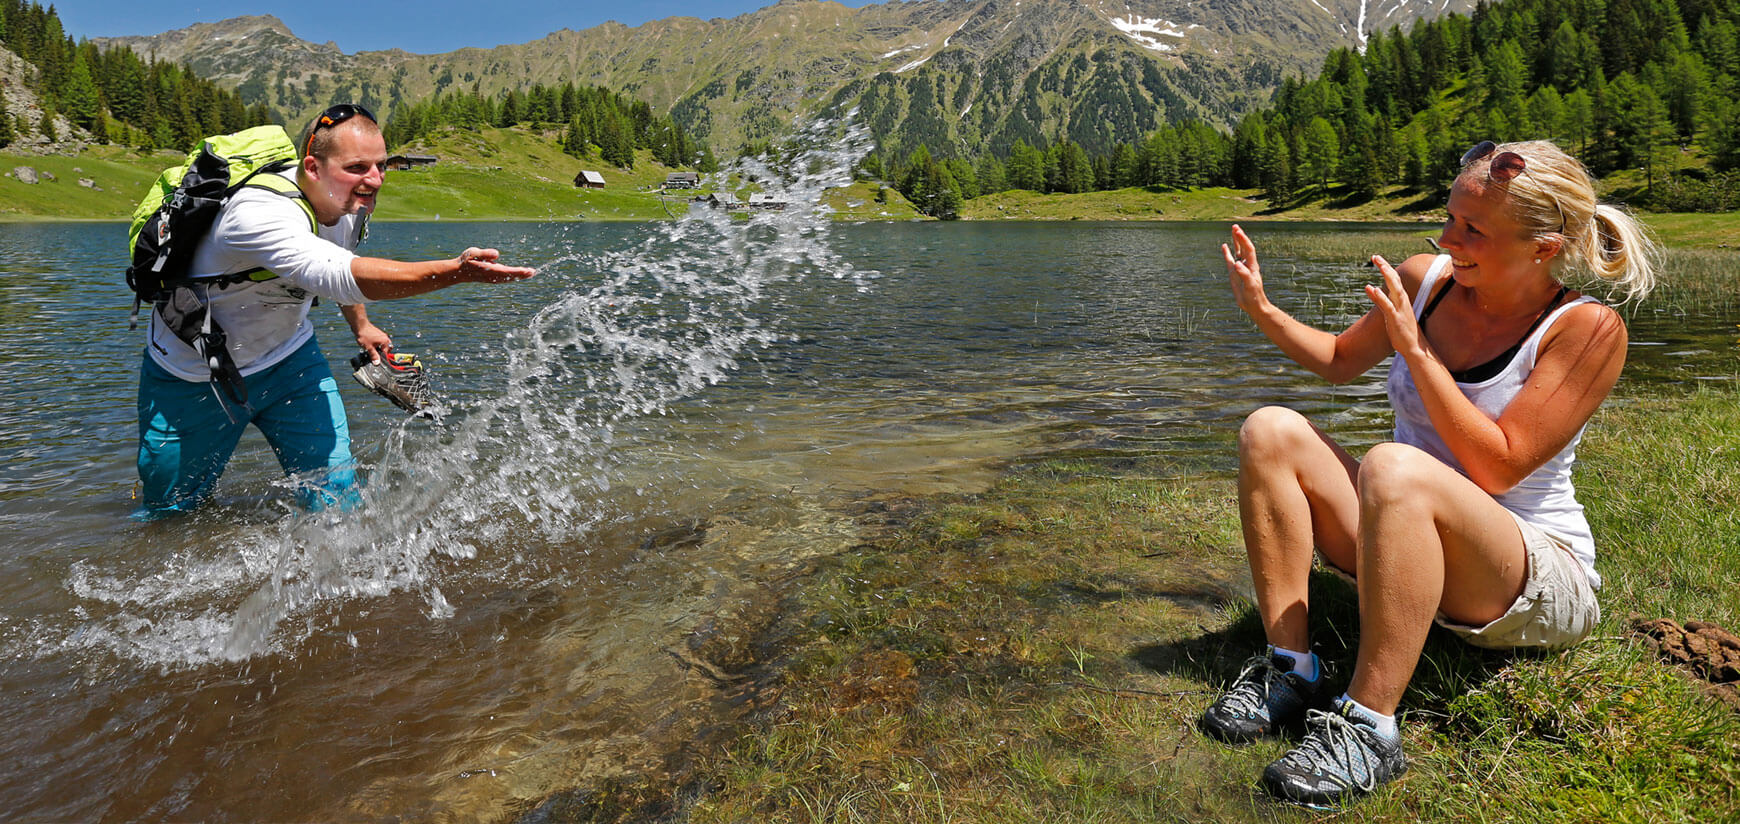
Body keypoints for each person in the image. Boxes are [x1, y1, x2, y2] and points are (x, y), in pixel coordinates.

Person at [1200, 139, 1657, 807]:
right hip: (1404, 536)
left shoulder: (1588, 330)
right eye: (1449, 217)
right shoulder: (1428, 282)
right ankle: (1291, 669)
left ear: (1544, 248)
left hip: (1527, 575)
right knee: (1269, 431)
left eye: (1473, 229)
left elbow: (1498, 467)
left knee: (1393, 467)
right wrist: (1261, 309)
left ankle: (1370, 727)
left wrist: (1416, 352)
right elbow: (1338, 360)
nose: (1448, 239)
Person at [136, 103, 537, 515]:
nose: (375, 179)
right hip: (193, 377)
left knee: (336, 499)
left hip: (291, 363)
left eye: (381, 165)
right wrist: (455, 272)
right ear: (313, 167)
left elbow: (339, 261)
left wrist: (361, 325)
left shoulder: (346, 206)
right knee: (171, 513)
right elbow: (338, 274)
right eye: (357, 167)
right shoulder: (256, 214)